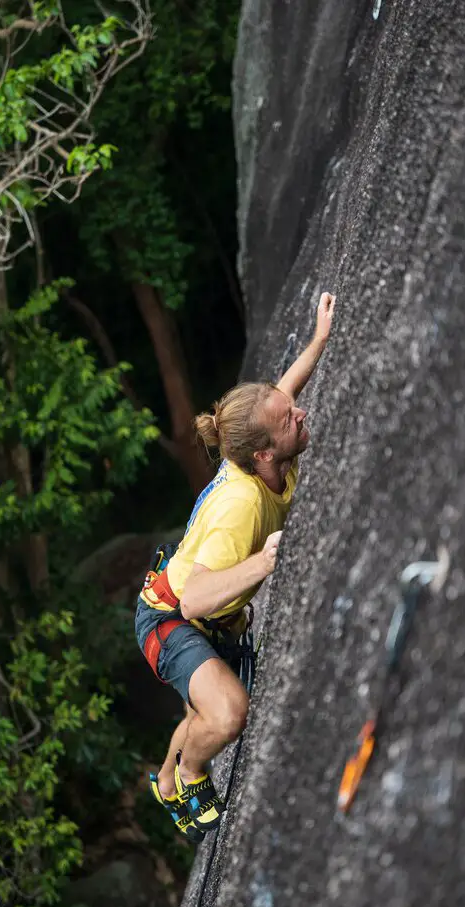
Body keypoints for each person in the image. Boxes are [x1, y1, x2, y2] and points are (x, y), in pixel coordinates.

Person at [135, 292, 336, 841]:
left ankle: (166, 783)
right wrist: (265, 561)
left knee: (206, 704)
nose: (300, 412)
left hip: (194, 612)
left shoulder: (257, 442)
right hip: (174, 616)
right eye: (288, 420)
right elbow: (196, 599)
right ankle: (191, 774)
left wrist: (319, 339)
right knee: (226, 714)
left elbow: (282, 393)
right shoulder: (242, 505)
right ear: (265, 455)